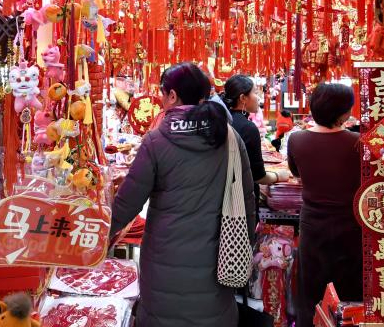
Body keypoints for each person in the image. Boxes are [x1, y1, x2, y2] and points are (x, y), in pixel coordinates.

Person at [110, 62, 256, 327]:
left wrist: (94, 238)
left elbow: (126, 205)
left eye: (162, 94)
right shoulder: (230, 138)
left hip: (164, 263)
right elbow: (247, 203)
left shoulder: (156, 141)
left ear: (173, 95)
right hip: (218, 261)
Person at [286, 83, 363, 324]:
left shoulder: (296, 139)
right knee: (349, 291)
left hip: (313, 225)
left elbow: (295, 172)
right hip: (351, 225)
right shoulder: (358, 142)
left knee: (312, 290)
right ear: (344, 113)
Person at [223, 75, 282, 187]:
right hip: (241, 192)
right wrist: (279, 176)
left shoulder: (223, 119)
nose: (258, 97)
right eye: (255, 92)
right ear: (243, 98)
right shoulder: (248, 128)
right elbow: (258, 177)